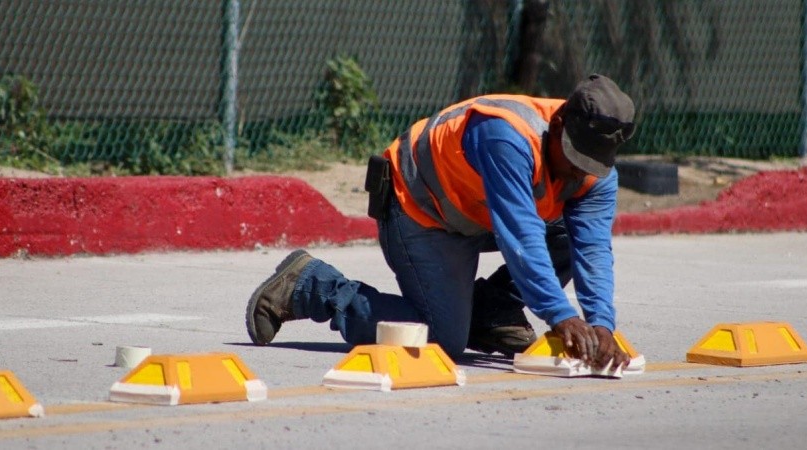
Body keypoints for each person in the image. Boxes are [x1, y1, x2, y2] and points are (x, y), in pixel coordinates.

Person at [245, 73, 636, 370]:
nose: (575, 172)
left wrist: (601, 323)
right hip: (418, 209)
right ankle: (312, 286)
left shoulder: (596, 173)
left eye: (589, 164)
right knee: (438, 340)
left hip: (476, 214)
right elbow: (522, 236)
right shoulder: (506, 136)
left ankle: (490, 313)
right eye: (572, 157)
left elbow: (593, 249)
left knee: (570, 232)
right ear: (559, 125)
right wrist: (561, 315)